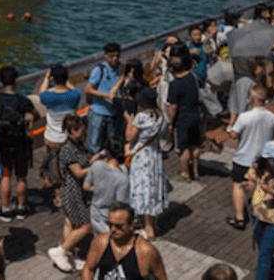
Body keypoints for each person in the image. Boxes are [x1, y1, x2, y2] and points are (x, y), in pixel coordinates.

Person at [226, 85, 274, 230]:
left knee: (238, 185)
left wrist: (230, 127)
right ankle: (261, 215)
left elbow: (234, 135)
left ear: (252, 99)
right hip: (263, 160)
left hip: (243, 158)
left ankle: (239, 218)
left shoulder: (244, 117)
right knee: (261, 186)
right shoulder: (273, 117)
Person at [0, 65, 36, 221]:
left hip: (2, 143)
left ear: (1, 81)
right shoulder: (24, 101)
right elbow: (32, 117)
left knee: (5, 176)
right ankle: (21, 208)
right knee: (21, 177)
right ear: (16, 81)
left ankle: (6, 209)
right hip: (20, 142)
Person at [48, 114, 93, 273]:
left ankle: (69, 256)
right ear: (72, 131)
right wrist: (95, 167)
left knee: (70, 223)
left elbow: (86, 161)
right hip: (72, 191)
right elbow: (78, 172)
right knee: (86, 226)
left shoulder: (78, 145)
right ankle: (61, 250)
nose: (84, 133)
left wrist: (97, 158)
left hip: (75, 190)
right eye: (81, 130)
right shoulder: (68, 149)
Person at [244, 141, 274, 280]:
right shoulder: (257, 167)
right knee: (263, 251)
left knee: (263, 258)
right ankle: (270, 271)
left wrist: (272, 192)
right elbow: (251, 185)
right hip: (257, 215)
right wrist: (248, 186)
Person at [80, 202, 168, 280]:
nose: (113, 229)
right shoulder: (100, 242)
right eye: (110, 224)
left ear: (132, 225)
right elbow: (88, 268)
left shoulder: (146, 251)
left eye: (118, 226)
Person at [39, 64, 83, 208]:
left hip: (52, 138)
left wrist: (47, 77)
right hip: (68, 139)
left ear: (53, 78)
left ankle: (58, 197)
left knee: (54, 168)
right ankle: (73, 193)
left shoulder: (48, 97)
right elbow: (74, 89)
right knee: (69, 167)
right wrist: (66, 80)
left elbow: (41, 92)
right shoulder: (74, 95)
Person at [126, 87, 167, 242]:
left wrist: (129, 121)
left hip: (142, 157)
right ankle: (154, 224)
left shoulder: (141, 117)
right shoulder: (162, 116)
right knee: (154, 188)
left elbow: (130, 137)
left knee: (144, 190)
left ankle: (149, 229)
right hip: (155, 154)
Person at [165, 46, 203, 181]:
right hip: (196, 116)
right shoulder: (192, 76)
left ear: (171, 69)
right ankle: (196, 170)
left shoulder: (174, 85)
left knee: (184, 148)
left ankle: (185, 173)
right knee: (195, 145)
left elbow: (173, 107)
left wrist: (170, 123)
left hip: (182, 121)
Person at [83, 138, 130, 236]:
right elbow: (121, 205)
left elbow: (86, 186)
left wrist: (99, 189)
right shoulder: (123, 178)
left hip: (95, 214)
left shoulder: (96, 166)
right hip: (110, 219)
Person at [84, 43, 123, 155]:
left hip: (113, 113)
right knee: (94, 145)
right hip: (98, 113)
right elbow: (88, 89)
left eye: (117, 56)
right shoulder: (99, 70)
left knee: (111, 144)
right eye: (112, 56)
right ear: (106, 56)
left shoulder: (121, 68)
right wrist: (107, 95)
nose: (115, 59)